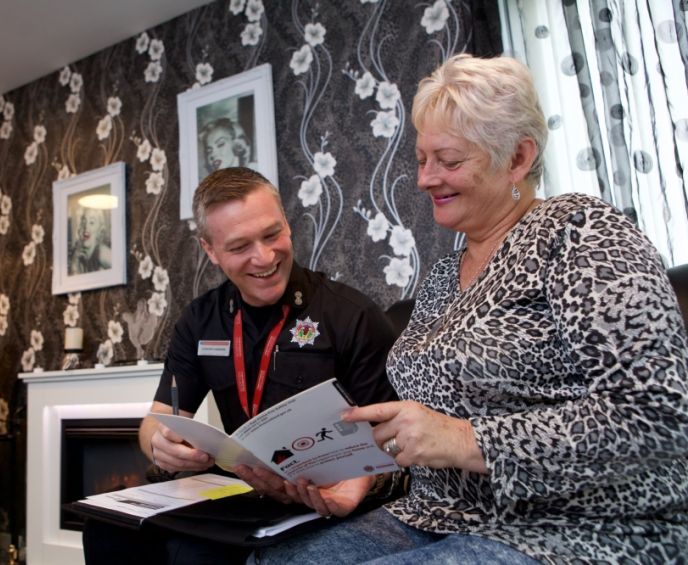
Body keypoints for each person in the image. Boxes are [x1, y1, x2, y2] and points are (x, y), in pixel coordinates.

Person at [255, 54, 688, 563]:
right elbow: (426, 436)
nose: (425, 179)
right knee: (276, 559)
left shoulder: (581, 234)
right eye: (421, 160)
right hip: (436, 515)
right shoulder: (443, 275)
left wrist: (466, 439)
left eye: (450, 161)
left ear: (518, 158)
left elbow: (659, 414)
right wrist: (362, 479)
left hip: (572, 527)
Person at [82, 166, 398, 564]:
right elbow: (157, 420)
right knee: (108, 528)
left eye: (272, 234)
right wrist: (160, 445)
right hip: (242, 489)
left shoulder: (352, 315)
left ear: (287, 224)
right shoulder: (200, 320)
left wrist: (361, 481)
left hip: (325, 496)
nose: (264, 258)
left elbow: (395, 446)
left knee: (195, 554)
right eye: (239, 246)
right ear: (210, 250)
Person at [68, 206, 112, 274]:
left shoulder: (102, 252)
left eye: (92, 222)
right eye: (83, 222)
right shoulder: (78, 253)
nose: (86, 226)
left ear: (99, 230)